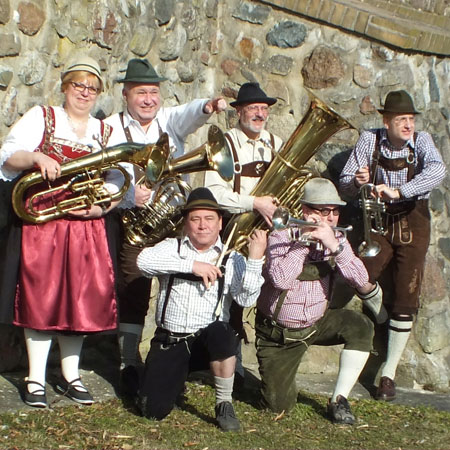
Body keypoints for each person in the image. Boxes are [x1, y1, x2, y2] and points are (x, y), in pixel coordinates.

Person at [0, 55, 121, 408]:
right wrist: (37, 158)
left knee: (80, 300)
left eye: (92, 88)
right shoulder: (42, 117)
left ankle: (72, 375)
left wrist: (101, 207)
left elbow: (118, 180)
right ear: (65, 86)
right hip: (45, 222)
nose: (84, 93)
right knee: (42, 295)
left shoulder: (104, 131)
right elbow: (7, 156)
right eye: (78, 85)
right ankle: (35, 378)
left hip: (87, 226)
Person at [104, 58, 227, 394]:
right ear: (126, 94)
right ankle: (129, 360)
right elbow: (105, 177)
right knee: (135, 289)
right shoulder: (110, 129)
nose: (149, 99)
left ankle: (184, 356)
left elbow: (190, 112)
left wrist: (208, 106)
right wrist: (130, 193)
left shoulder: (168, 119)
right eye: (141, 92)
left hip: (174, 221)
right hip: (134, 224)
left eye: (154, 92)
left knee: (187, 282)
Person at [339, 90, 446, 401]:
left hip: (414, 221)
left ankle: (388, 373)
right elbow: (346, 182)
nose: (408, 125)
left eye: (410, 119)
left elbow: (437, 171)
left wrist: (400, 192)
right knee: (359, 274)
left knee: (407, 293)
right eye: (401, 119)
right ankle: (379, 311)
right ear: (386, 121)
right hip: (379, 221)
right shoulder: (369, 140)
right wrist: (359, 182)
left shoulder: (422, 141)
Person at [135, 187, 267, 431]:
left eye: (209, 219)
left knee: (222, 332)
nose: (202, 225)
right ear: (186, 224)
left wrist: (255, 260)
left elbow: (246, 299)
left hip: (206, 343)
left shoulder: (232, 257)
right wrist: (192, 265)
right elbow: (143, 262)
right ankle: (175, 378)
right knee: (152, 411)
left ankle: (224, 403)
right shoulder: (171, 247)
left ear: (220, 223)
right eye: (195, 219)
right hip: (171, 340)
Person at [255, 178, 375, 425]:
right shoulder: (281, 235)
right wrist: (303, 243)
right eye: (323, 211)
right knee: (279, 405)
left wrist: (335, 247)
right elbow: (281, 280)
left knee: (360, 326)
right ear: (306, 211)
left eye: (335, 211)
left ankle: (339, 399)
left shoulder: (337, 238)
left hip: (318, 322)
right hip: (282, 335)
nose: (330, 218)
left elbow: (361, 278)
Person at [204, 81, 283, 387]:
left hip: (270, 231)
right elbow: (213, 192)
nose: (260, 114)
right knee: (232, 299)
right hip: (236, 229)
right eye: (253, 108)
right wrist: (254, 203)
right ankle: (229, 368)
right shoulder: (224, 143)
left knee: (269, 295)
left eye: (264, 109)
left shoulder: (276, 142)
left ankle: (266, 370)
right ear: (239, 112)